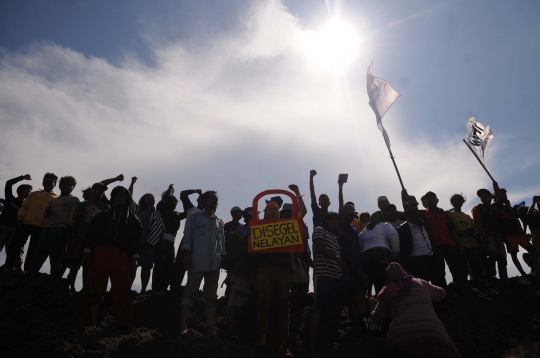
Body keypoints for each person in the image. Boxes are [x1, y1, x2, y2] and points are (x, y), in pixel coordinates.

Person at [253, 184, 307, 357]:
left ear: (279, 212)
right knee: (263, 299)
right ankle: (262, 337)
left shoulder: (288, 224)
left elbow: (303, 212)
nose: (273, 211)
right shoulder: (259, 226)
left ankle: (284, 344)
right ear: (265, 212)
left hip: (285, 269)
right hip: (265, 268)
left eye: (275, 209)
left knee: (284, 305)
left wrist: (297, 194)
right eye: (269, 209)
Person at [368, 263, 462, 357]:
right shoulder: (420, 282)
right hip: (433, 331)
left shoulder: (386, 292)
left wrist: (372, 306)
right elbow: (442, 293)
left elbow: (379, 319)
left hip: (401, 337)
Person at [82, 186, 141, 328]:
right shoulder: (102, 216)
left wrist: (135, 256)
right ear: (112, 198)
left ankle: (123, 325)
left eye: (122, 195)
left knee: (122, 289)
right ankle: (93, 324)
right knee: (96, 285)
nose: (119, 198)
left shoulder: (133, 220)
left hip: (121, 254)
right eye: (116, 195)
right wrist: (87, 250)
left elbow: (136, 240)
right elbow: (92, 234)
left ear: (127, 198)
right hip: (101, 251)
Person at [310, 212, 365, 352]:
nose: (337, 223)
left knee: (359, 297)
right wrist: (337, 259)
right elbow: (319, 247)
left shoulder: (335, 237)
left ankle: (362, 331)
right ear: (327, 220)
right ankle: (311, 341)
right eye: (335, 220)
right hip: (323, 275)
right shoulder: (319, 230)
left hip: (338, 276)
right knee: (319, 308)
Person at [180, 190, 226, 338]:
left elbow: (222, 244)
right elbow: (188, 237)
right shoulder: (194, 217)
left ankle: (211, 332)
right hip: (197, 261)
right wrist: (187, 255)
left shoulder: (219, 222)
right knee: (190, 293)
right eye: (211, 198)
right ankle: (183, 328)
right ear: (203, 201)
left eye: (215, 199)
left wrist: (222, 258)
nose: (214, 201)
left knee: (211, 296)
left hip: (214, 264)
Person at [5, 173, 58, 272]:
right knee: (15, 246)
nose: (48, 183)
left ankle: (27, 272)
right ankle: (8, 267)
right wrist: (20, 218)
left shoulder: (56, 198)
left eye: (51, 182)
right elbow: (24, 206)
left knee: (33, 250)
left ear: (55, 184)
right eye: (46, 181)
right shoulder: (34, 194)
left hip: (42, 226)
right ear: (43, 183)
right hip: (25, 223)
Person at [29, 176, 79, 280]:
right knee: (39, 251)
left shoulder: (74, 199)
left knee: (57, 255)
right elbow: (45, 214)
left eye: (71, 185)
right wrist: (47, 213)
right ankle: (31, 274)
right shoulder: (53, 200)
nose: (68, 187)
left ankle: (54, 278)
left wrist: (69, 226)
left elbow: (73, 214)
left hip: (61, 228)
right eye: (65, 184)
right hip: (47, 227)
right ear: (60, 186)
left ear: (73, 188)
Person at [67, 187, 110, 292]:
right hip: (81, 236)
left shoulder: (106, 206)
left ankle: (85, 288)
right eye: (93, 191)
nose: (96, 193)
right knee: (75, 261)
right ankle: (69, 285)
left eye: (99, 191)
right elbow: (76, 220)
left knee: (89, 264)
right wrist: (74, 237)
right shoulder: (82, 204)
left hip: (96, 240)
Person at [225, 207, 258, 339]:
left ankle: (241, 332)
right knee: (236, 303)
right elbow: (235, 250)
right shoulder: (242, 230)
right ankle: (231, 332)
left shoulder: (258, 229)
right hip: (243, 272)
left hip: (253, 272)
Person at [128, 177, 165, 293]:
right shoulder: (137, 210)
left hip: (150, 244)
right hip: (136, 242)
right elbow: (128, 198)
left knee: (147, 267)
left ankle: (143, 290)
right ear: (143, 200)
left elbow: (161, 227)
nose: (150, 200)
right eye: (147, 198)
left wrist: (161, 241)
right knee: (132, 266)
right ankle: (127, 288)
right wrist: (132, 184)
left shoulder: (156, 213)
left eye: (152, 199)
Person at [421, 191, 464, 289]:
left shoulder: (444, 214)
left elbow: (451, 230)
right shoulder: (423, 215)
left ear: (437, 200)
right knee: (439, 271)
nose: (431, 201)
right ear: (425, 202)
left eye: (433, 198)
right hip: (435, 246)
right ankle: (443, 292)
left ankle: (461, 288)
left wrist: (459, 244)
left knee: (456, 267)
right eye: (428, 199)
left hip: (449, 244)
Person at [495, 188, 539, 276]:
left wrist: (523, 232)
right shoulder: (494, 208)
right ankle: (523, 273)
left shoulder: (507, 207)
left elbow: (518, 219)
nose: (504, 197)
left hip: (518, 233)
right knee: (514, 253)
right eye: (502, 195)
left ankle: (538, 268)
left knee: (532, 250)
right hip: (509, 235)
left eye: (505, 195)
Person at [154, 185, 187, 291]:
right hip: (161, 240)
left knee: (169, 266)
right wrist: (170, 190)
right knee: (160, 265)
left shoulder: (176, 215)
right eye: (172, 201)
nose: (174, 203)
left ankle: (163, 288)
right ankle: (156, 289)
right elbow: (164, 199)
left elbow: (188, 212)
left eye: (175, 202)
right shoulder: (162, 209)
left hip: (171, 242)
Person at [471, 184, 508, 280]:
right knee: (493, 253)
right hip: (487, 235)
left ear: (491, 197)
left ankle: (504, 278)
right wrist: (482, 234)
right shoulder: (478, 208)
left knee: (502, 257)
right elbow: (477, 222)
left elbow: (503, 212)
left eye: (485, 195)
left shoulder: (495, 208)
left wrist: (496, 188)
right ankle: (491, 276)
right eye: (481, 196)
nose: (483, 197)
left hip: (497, 235)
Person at [169, 188, 203, 290]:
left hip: (201, 241)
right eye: (201, 199)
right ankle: (174, 288)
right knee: (180, 263)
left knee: (196, 266)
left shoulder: (209, 215)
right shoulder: (190, 209)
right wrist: (196, 191)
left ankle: (191, 290)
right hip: (188, 238)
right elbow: (183, 194)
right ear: (198, 200)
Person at [447, 193, 485, 283]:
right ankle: (464, 285)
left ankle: (478, 283)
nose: (457, 202)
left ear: (462, 201)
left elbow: (473, 229)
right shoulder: (449, 214)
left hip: (472, 244)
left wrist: (472, 232)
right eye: (454, 200)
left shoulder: (467, 217)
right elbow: (451, 230)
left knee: (475, 265)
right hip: (459, 244)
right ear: (452, 203)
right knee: (462, 266)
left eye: (458, 199)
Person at [358, 211, 399, 292]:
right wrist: (396, 253)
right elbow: (393, 234)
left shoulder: (364, 230)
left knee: (376, 283)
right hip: (381, 254)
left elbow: (359, 243)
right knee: (386, 283)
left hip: (366, 258)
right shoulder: (384, 224)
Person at [397, 201, 436, 283]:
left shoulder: (425, 222)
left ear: (417, 212)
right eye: (409, 213)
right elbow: (402, 248)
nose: (412, 215)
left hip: (432, 257)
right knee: (423, 285)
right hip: (416, 261)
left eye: (414, 212)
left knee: (439, 282)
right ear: (406, 215)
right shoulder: (402, 229)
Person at [0, 174, 32, 269]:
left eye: (30, 191)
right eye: (26, 189)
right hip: (2, 229)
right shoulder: (10, 199)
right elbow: (9, 184)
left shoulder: (28, 207)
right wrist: (22, 178)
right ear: (19, 191)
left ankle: (12, 274)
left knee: (16, 256)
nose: (28, 192)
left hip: (15, 232)